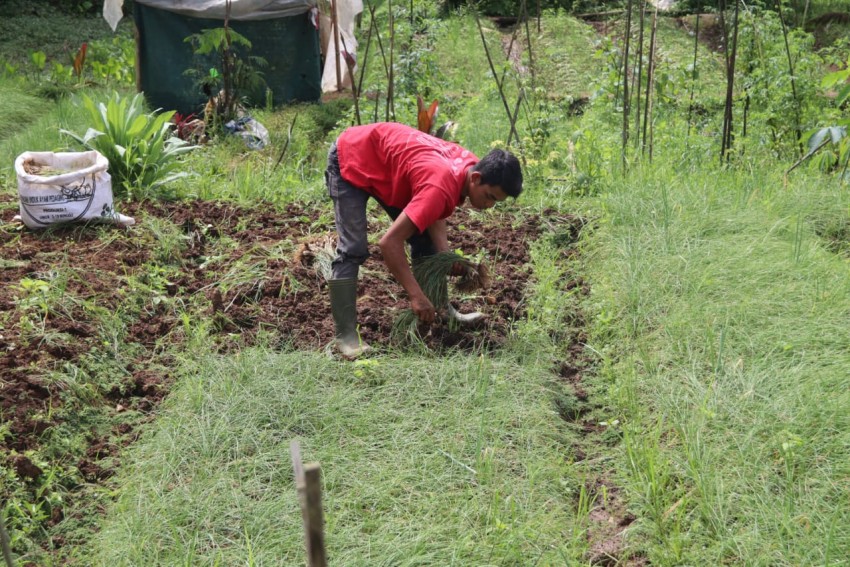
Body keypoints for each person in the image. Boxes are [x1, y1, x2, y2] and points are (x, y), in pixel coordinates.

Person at [325, 121, 523, 357]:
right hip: (351, 156)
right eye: (489, 197)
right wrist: (416, 296)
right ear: (476, 178)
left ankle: (441, 308)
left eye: (496, 202)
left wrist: (443, 252)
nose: (489, 206)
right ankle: (346, 337)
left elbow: (435, 207)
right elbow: (389, 243)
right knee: (352, 249)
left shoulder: (468, 168)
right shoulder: (443, 183)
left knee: (424, 239)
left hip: (385, 163)